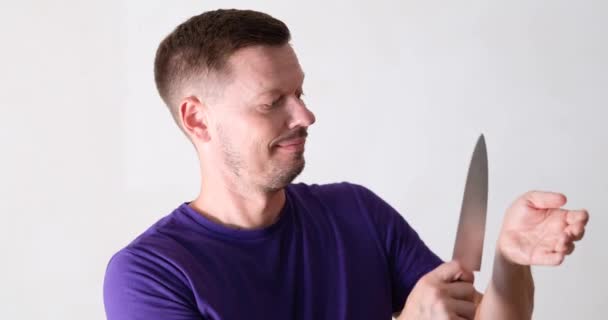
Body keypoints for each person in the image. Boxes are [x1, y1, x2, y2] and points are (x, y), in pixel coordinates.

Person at [103, 9, 589, 320]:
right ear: (198, 120)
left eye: (300, 93)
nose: (305, 116)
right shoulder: (150, 275)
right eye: (273, 101)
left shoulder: (356, 213)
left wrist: (510, 263)